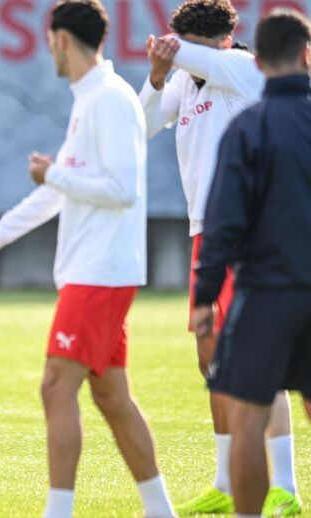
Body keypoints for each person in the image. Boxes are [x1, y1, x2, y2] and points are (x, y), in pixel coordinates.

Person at [0, 1, 174, 516]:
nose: (49, 50)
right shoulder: (92, 98)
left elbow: (121, 190)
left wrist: (53, 175)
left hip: (100, 273)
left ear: (60, 38)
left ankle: (57, 512)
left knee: (55, 386)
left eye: (49, 40)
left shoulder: (107, 98)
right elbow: (62, 191)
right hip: (95, 271)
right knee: (110, 397)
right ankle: (160, 509)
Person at [139, 0, 301, 514]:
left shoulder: (242, 68)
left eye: (193, 47)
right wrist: (158, 75)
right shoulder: (186, 79)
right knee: (213, 361)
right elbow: (138, 129)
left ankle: (287, 488)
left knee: (259, 359)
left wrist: (176, 52)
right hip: (203, 234)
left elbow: (206, 61)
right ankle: (227, 483)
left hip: (246, 236)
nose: (186, 57)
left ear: (224, 42)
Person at [193, 8, 311, 517]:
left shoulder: (248, 127)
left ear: (257, 61)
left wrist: (204, 297)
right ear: (308, 55)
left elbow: (222, 222)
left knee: (246, 415)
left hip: (266, 292)